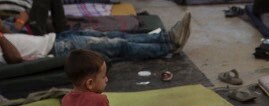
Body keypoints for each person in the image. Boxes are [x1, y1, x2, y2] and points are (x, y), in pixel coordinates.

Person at [0, 12, 191, 64]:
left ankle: (166, 38)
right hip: (59, 50)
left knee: (116, 36)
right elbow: (15, 58)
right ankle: (169, 44)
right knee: (119, 45)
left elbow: (9, 33)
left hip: (57, 39)